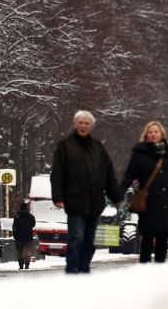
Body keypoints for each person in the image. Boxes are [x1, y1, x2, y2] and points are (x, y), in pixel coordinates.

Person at [50, 110, 121, 274]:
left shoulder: (98, 147)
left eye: (86, 123)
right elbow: (57, 174)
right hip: (75, 201)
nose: (83, 126)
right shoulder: (65, 145)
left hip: (95, 202)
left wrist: (116, 196)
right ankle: (72, 270)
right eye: (80, 123)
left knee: (89, 240)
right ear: (75, 124)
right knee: (76, 238)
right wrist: (58, 197)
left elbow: (108, 173)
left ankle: (84, 269)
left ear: (92, 126)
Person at [120, 120, 168, 263]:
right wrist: (119, 192)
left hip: (166, 203)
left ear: (161, 134)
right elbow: (129, 175)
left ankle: (159, 269)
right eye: (150, 132)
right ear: (146, 135)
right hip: (148, 203)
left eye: (156, 132)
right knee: (147, 238)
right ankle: (145, 268)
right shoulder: (139, 154)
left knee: (163, 240)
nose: (153, 134)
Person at [12, 202, 36, 270]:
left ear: (20, 208)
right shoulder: (31, 217)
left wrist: (15, 235)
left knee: (20, 251)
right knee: (27, 250)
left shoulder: (17, 217)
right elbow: (33, 225)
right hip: (28, 237)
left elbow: (14, 227)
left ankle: (21, 265)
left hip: (19, 237)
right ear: (26, 208)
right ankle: (27, 264)